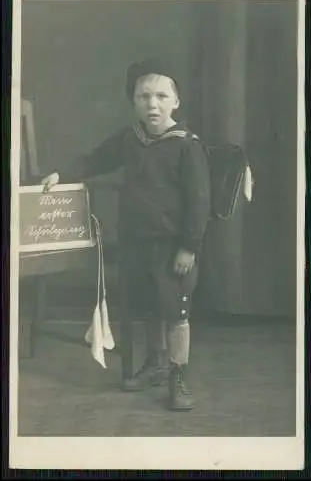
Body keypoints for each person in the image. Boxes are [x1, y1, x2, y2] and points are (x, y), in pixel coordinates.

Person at [41, 58, 210, 411]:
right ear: (133, 100)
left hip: (171, 247)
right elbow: (96, 159)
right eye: (143, 96)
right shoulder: (130, 139)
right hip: (136, 242)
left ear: (176, 102)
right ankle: (156, 363)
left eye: (162, 96)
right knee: (148, 304)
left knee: (175, 310)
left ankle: (178, 375)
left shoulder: (187, 145)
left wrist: (188, 248)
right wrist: (62, 174)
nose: (152, 104)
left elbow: (199, 202)